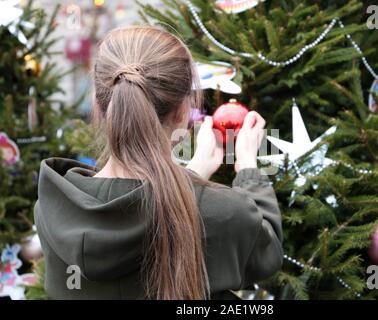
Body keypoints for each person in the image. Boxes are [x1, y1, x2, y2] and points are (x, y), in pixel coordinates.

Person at [35, 25, 283, 300]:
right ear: (181, 112)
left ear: (99, 103)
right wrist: (248, 166)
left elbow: (136, 206)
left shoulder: (54, 206)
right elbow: (266, 250)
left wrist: (192, 174)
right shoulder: (216, 212)